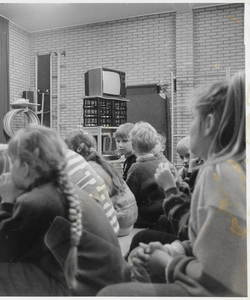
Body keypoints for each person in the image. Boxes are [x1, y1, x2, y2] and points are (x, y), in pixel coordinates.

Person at [98, 71, 246, 297]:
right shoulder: (234, 167)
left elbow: (214, 282)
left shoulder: (218, 171)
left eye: (193, 118)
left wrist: (166, 263)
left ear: (209, 122)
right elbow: (214, 246)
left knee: (109, 293)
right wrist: (175, 249)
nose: (189, 127)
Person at [0, 125, 130, 296]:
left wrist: (4, 200)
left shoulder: (36, 201)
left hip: (92, 292)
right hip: (108, 284)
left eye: (13, 163)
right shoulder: (61, 189)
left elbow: (0, 248)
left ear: (24, 167)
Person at [64, 129, 137, 236]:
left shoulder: (89, 169)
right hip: (128, 220)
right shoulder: (100, 163)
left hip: (120, 224)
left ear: (79, 148)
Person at [126, 121, 165, 229]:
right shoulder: (159, 163)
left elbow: (129, 197)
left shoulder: (136, 168)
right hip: (161, 214)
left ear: (133, 146)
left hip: (146, 218)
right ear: (154, 145)